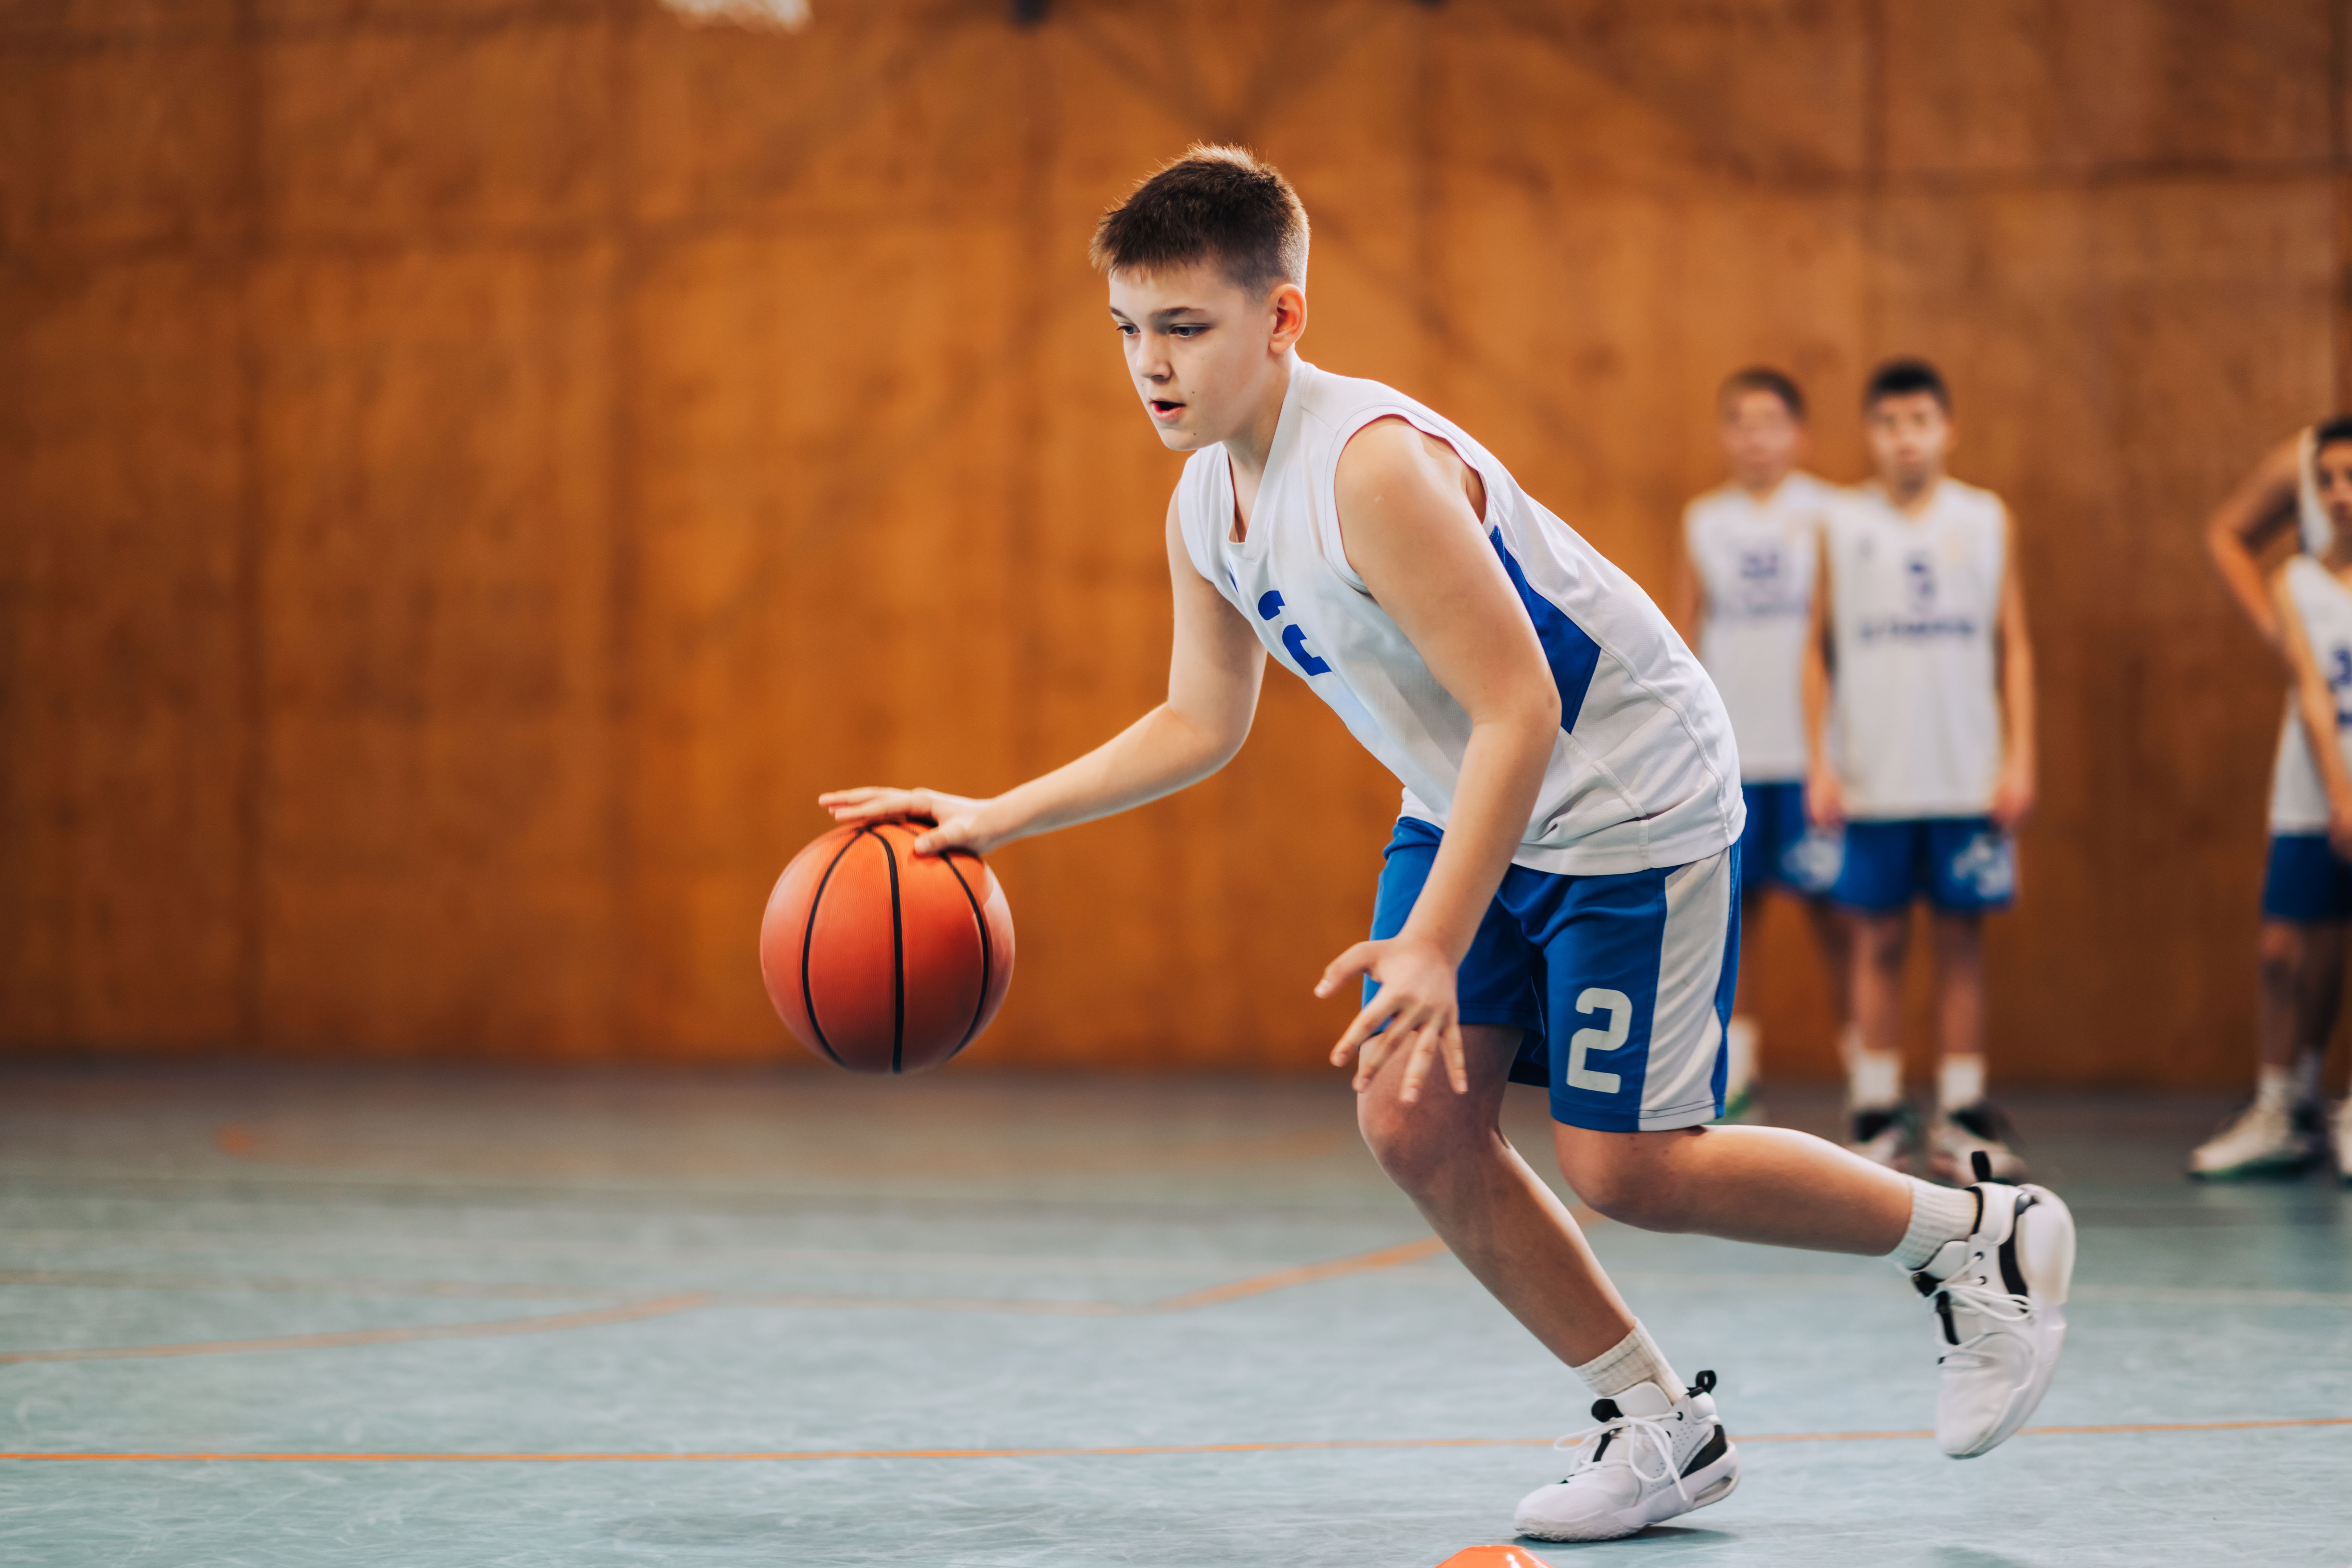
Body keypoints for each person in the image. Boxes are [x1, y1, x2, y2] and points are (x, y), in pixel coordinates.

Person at [820, 148, 2075, 1543]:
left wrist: (1428, 942)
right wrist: (994, 816)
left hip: (1625, 804)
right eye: (1127, 329)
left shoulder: (1372, 471)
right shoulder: (1203, 504)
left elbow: (1524, 704)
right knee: (1414, 1120)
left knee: (1629, 1168)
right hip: (1470, 792)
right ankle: (1663, 1428)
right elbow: (1199, 719)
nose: (1150, 367)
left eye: (1186, 328)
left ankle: (1979, 1239)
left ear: (1283, 317)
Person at [1671, 368, 1851, 1122]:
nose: (1755, 435)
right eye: (1740, 421)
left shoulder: (1834, 516)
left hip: (1817, 759)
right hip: (1732, 755)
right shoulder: (1703, 521)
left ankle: (1866, 1084)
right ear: (1724, 435)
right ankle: (1735, 1073)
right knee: (1735, 917)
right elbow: (1677, 638)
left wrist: (1835, 755)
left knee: (1841, 919)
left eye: (1771, 420)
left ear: (1800, 434)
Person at [2195, 417, 2352, 1182]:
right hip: (2313, 788)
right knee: (2286, 947)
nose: (2341, 494)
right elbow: (2318, 698)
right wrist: (2340, 791)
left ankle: (2339, 1104)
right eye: (2327, 481)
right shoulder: (2297, 582)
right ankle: (2276, 1106)